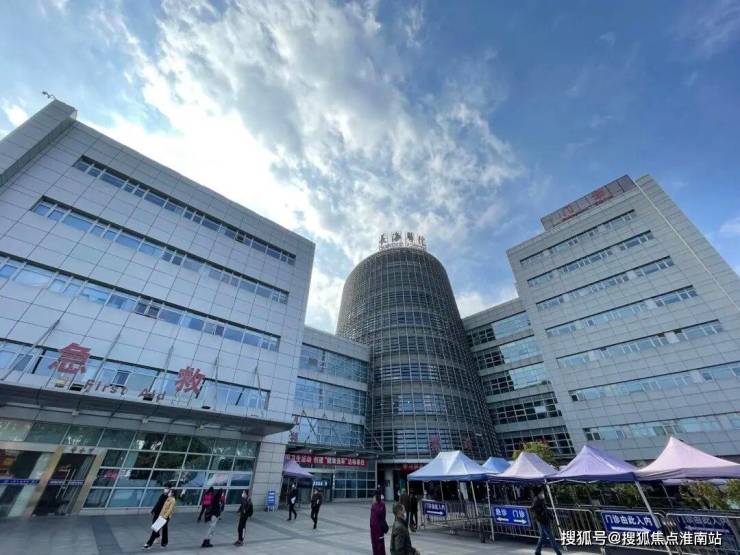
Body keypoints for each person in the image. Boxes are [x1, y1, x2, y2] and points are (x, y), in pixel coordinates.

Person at [530, 488, 562, 555]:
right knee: (551, 538)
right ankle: (558, 552)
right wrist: (540, 511)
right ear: (538, 494)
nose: (543, 494)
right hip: (543, 521)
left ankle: (537, 551)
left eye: (543, 492)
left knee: (542, 537)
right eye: (541, 493)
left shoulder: (541, 500)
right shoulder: (537, 500)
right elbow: (532, 508)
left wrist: (550, 515)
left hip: (545, 520)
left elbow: (545, 510)